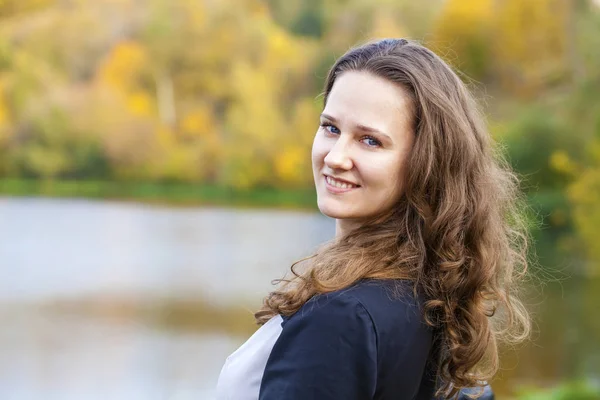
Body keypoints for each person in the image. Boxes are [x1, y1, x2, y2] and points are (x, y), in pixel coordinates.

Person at [215, 38, 530, 399]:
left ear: (425, 163)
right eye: (331, 128)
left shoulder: (342, 318)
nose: (335, 156)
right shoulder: (434, 293)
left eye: (370, 141)